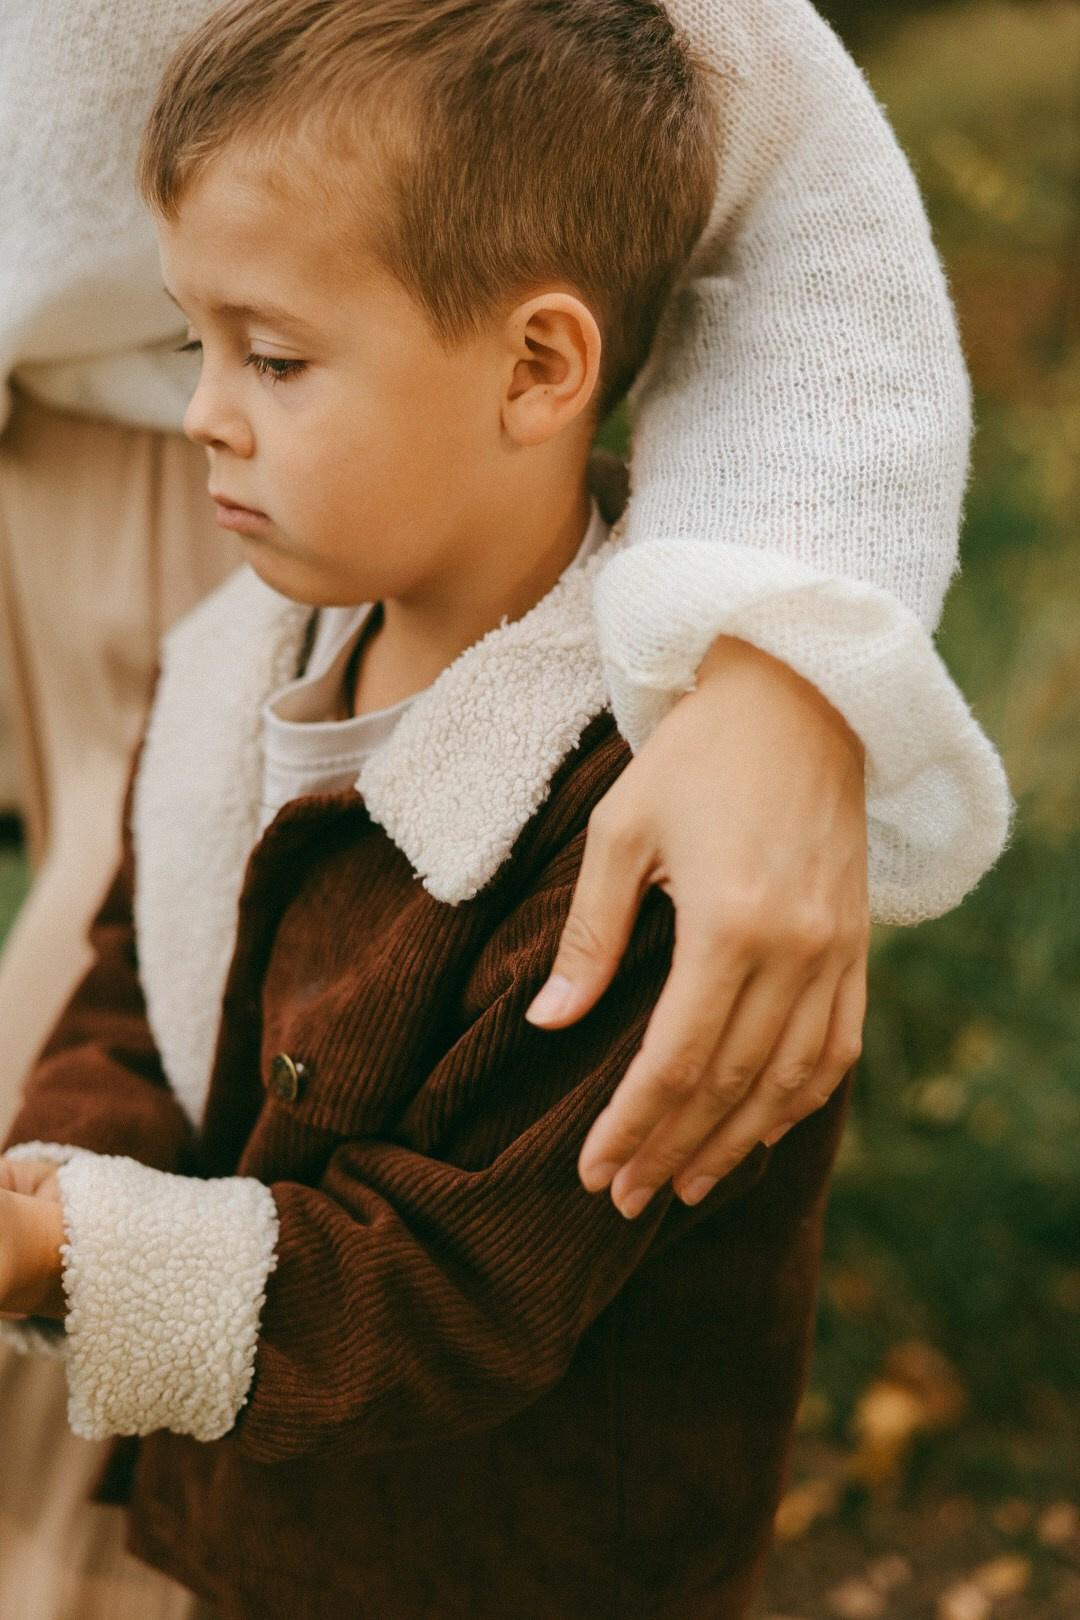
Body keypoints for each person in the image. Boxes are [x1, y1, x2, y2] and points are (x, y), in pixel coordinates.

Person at [0, 0, 1010, 1613]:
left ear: (538, 368)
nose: (203, 412)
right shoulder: (234, 664)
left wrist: (78, 1259)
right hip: (274, 1553)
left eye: (274, 358)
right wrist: (62, 1182)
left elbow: (458, 1288)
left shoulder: (629, 836)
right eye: (196, 346)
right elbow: (137, 968)